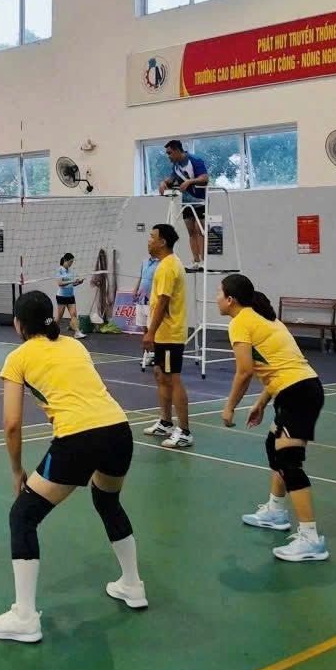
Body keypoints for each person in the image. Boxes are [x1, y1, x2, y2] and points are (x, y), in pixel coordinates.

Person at [0, 290, 145, 644]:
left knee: (23, 516)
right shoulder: (75, 345)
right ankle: (132, 584)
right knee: (107, 500)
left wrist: (16, 471)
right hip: (118, 430)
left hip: (78, 440)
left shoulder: (18, 358)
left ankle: (24, 617)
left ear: (18, 324)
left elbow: (11, 425)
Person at [218, 274, 329, 562]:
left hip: (299, 393)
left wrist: (230, 407)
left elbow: (244, 371)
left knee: (290, 462)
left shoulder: (241, 321)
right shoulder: (264, 319)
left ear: (230, 299)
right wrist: (261, 402)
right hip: (295, 390)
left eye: (220, 293)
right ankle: (276, 511)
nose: (217, 298)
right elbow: (277, 365)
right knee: (273, 446)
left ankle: (311, 539)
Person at [141, 223, 193, 448]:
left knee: (173, 378)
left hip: (170, 334)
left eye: (152, 237)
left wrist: (150, 332)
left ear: (162, 242)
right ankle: (166, 422)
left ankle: (185, 431)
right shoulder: (164, 264)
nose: (149, 241)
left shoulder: (168, 267)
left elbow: (163, 301)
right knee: (160, 375)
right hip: (163, 334)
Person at [158, 140, 209, 270]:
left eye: (169, 153)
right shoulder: (175, 165)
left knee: (200, 230)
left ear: (176, 150)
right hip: (186, 202)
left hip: (199, 201)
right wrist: (163, 183)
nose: (168, 156)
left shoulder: (194, 160)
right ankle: (196, 261)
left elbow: (204, 178)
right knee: (191, 232)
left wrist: (190, 182)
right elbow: (171, 179)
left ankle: (203, 261)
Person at [132, 254, 159, 364]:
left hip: (152, 300)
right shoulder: (144, 261)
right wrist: (135, 289)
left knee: (153, 330)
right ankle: (147, 355)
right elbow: (141, 277)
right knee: (145, 330)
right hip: (141, 299)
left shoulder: (161, 263)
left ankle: (155, 355)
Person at [55, 253, 86, 339]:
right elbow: (60, 284)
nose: (71, 263)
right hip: (61, 296)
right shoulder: (59, 270)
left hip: (70, 296)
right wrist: (71, 281)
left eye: (72, 262)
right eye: (70, 261)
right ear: (65, 260)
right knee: (59, 316)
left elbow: (72, 284)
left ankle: (77, 332)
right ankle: (50, 330)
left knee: (73, 314)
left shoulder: (70, 271)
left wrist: (78, 282)